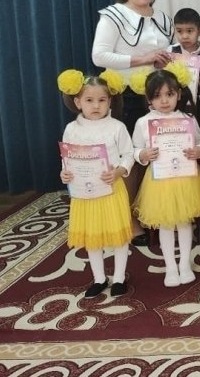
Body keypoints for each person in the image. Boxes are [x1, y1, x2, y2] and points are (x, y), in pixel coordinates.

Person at [91, 0, 174, 247]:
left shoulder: (163, 18)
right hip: (125, 96)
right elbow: (99, 56)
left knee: (155, 155)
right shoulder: (113, 15)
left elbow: (167, 56)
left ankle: (150, 212)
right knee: (131, 158)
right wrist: (143, 59)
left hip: (158, 97)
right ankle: (129, 220)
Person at [57, 69, 134, 298]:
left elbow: (128, 154)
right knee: (92, 236)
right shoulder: (72, 129)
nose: (96, 105)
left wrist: (119, 171)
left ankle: (119, 277)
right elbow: (67, 158)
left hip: (111, 189)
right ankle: (99, 278)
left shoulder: (117, 127)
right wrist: (65, 174)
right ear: (77, 102)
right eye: (89, 100)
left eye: (102, 100)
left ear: (110, 101)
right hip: (84, 193)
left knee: (118, 234)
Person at [131, 64, 200, 287]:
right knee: (165, 224)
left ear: (178, 95)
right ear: (149, 99)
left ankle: (184, 263)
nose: (164, 101)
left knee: (184, 222)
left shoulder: (187, 119)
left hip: (186, 179)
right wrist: (143, 154)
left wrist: (198, 150)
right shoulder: (143, 122)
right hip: (159, 181)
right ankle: (171, 266)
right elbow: (134, 149)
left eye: (169, 94)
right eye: (157, 96)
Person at [169, 8, 200, 128]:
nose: (184, 36)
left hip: (195, 107)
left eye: (190, 31)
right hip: (171, 106)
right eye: (179, 31)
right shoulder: (169, 52)